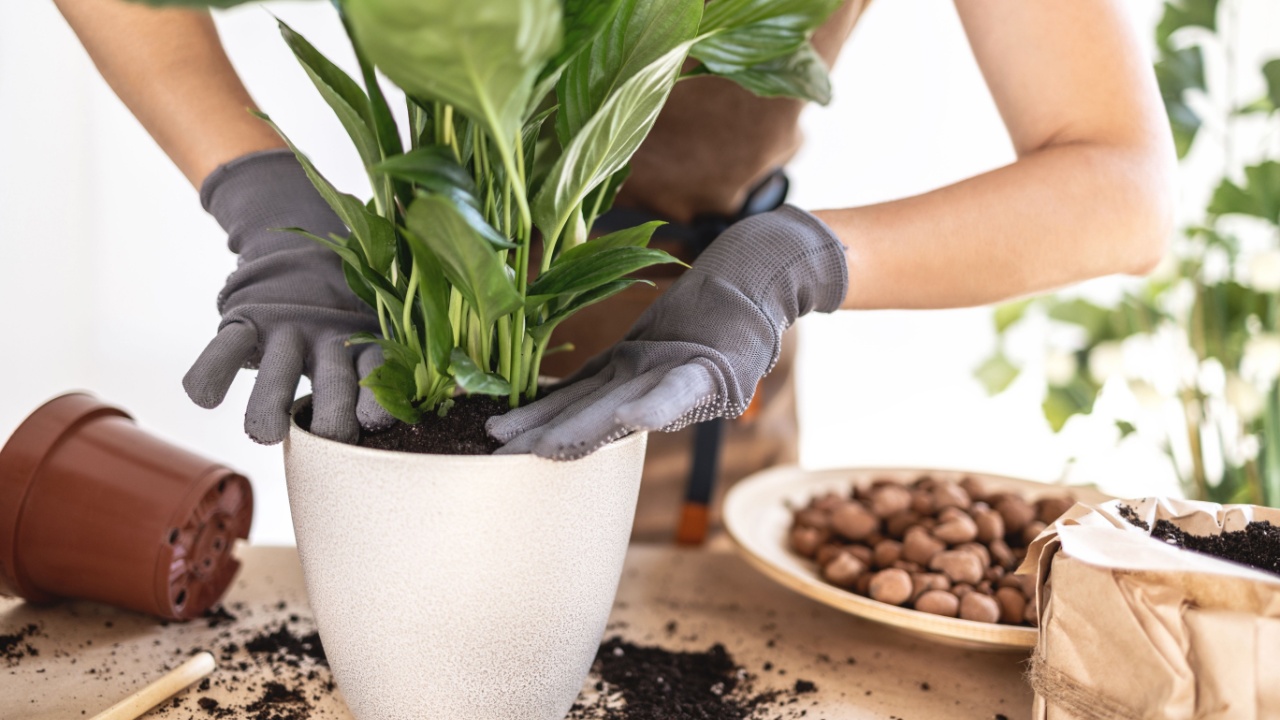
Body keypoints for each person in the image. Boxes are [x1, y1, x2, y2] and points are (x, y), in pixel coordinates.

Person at [53, 0, 1175, 540]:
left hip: (686, 393)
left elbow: (1121, 186)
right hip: (411, 371)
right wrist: (257, 190)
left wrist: (786, 265)